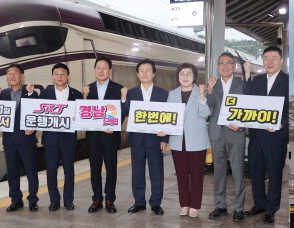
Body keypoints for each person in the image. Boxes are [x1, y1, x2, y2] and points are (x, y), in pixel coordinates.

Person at [243, 46, 289, 223]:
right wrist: (247, 75)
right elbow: (247, 100)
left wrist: (280, 123)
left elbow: (289, 109)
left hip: (276, 137)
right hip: (256, 137)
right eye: (266, 58)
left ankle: (272, 208)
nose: (270, 61)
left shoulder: (288, 81)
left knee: (275, 173)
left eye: (274, 58)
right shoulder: (258, 80)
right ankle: (259, 204)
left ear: (281, 61)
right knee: (255, 172)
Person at [122, 59, 169, 215]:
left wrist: (165, 139)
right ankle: (139, 202)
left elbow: (167, 117)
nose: (145, 73)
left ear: (154, 74)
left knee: (157, 173)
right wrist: (123, 99)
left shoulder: (163, 94)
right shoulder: (131, 93)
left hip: (155, 140)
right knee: (137, 172)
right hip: (137, 140)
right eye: (141, 70)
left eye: (148, 70)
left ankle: (156, 203)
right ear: (137, 74)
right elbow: (126, 112)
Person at [0, 64, 40, 212]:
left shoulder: (30, 92)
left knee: (31, 171)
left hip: (27, 140)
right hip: (9, 141)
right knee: (12, 171)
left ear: (22, 76)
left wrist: (34, 128)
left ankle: (33, 200)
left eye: (15, 73)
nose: (12, 76)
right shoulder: (2, 94)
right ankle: (16, 200)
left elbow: (38, 113)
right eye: (9, 73)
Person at [83, 56, 126, 214]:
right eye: (98, 68)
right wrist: (84, 97)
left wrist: (115, 126)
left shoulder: (118, 89)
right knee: (94, 169)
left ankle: (110, 200)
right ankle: (96, 199)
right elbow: (82, 112)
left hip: (110, 136)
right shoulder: (88, 89)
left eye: (104, 68)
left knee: (111, 169)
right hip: (93, 137)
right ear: (94, 70)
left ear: (110, 71)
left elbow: (123, 112)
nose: (101, 71)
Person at [206, 52, 246, 222]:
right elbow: (210, 106)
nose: (225, 65)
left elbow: (248, 108)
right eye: (221, 63)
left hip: (235, 132)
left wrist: (242, 124)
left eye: (228, 63)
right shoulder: (213, 84)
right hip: (217, 133)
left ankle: (239, 208)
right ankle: (220, 206)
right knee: (219, 171)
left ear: (234, 66)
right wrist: (208, 89)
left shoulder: (243, 85)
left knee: (238, 172)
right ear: (217, 66)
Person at [167, 63, 210, 218]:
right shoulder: (171, 94)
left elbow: (205, 114)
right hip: (177, 141)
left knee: (197, 175)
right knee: (181, 175)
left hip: (197, 140)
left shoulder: (200, 92)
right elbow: (168, 117)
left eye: (188, 74)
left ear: (194, 77)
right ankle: (184, 204)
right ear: (178, 76)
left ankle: (195, 206)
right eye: (182, 74)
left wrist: (203, 97)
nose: (185, 76)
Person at [40, 63, 83, 211]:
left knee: (69, 170)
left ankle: (68, 200)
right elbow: (37, 113)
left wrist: (76, 119)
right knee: (51, 170)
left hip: (68, 139)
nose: (59, 76)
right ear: (52, 76)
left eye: (63, 73)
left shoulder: (77, 95)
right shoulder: (45, 94)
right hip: (51, 139)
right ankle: (54, 200)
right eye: (56, 74)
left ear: (68, 76)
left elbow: (82, 117)